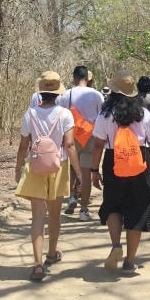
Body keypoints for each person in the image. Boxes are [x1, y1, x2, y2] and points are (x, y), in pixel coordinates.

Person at [91, 68, 150, 275]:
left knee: (113, 204)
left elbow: (97, 145)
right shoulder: (144, 114)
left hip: (114, 161)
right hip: (140, 162)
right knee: (138, 208)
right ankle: (130, 262)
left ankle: (116, 245)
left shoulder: (105, 114)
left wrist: (94, 170)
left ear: (113, 92)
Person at [15, 71, 82, 282]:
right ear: (57, 93)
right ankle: (51, 254)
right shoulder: (65, 115)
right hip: (58, 166)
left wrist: (18, 168)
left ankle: (37, 264)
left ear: (41, 93)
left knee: (37, 216)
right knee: (55, 214)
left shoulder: (30, 114)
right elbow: (69, 145)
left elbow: (23, 145)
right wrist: (78, 172)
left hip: (35, 166)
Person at [59, 64, 104, 221]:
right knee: (86, 172)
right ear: (87, 78)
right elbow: (101, 116)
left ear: (74, 78)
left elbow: (60, 116)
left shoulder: (65, 95)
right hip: (90, 137)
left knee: (73, 168)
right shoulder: (97, 95)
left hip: (71, 137)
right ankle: (84, 210)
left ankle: (72, 196)